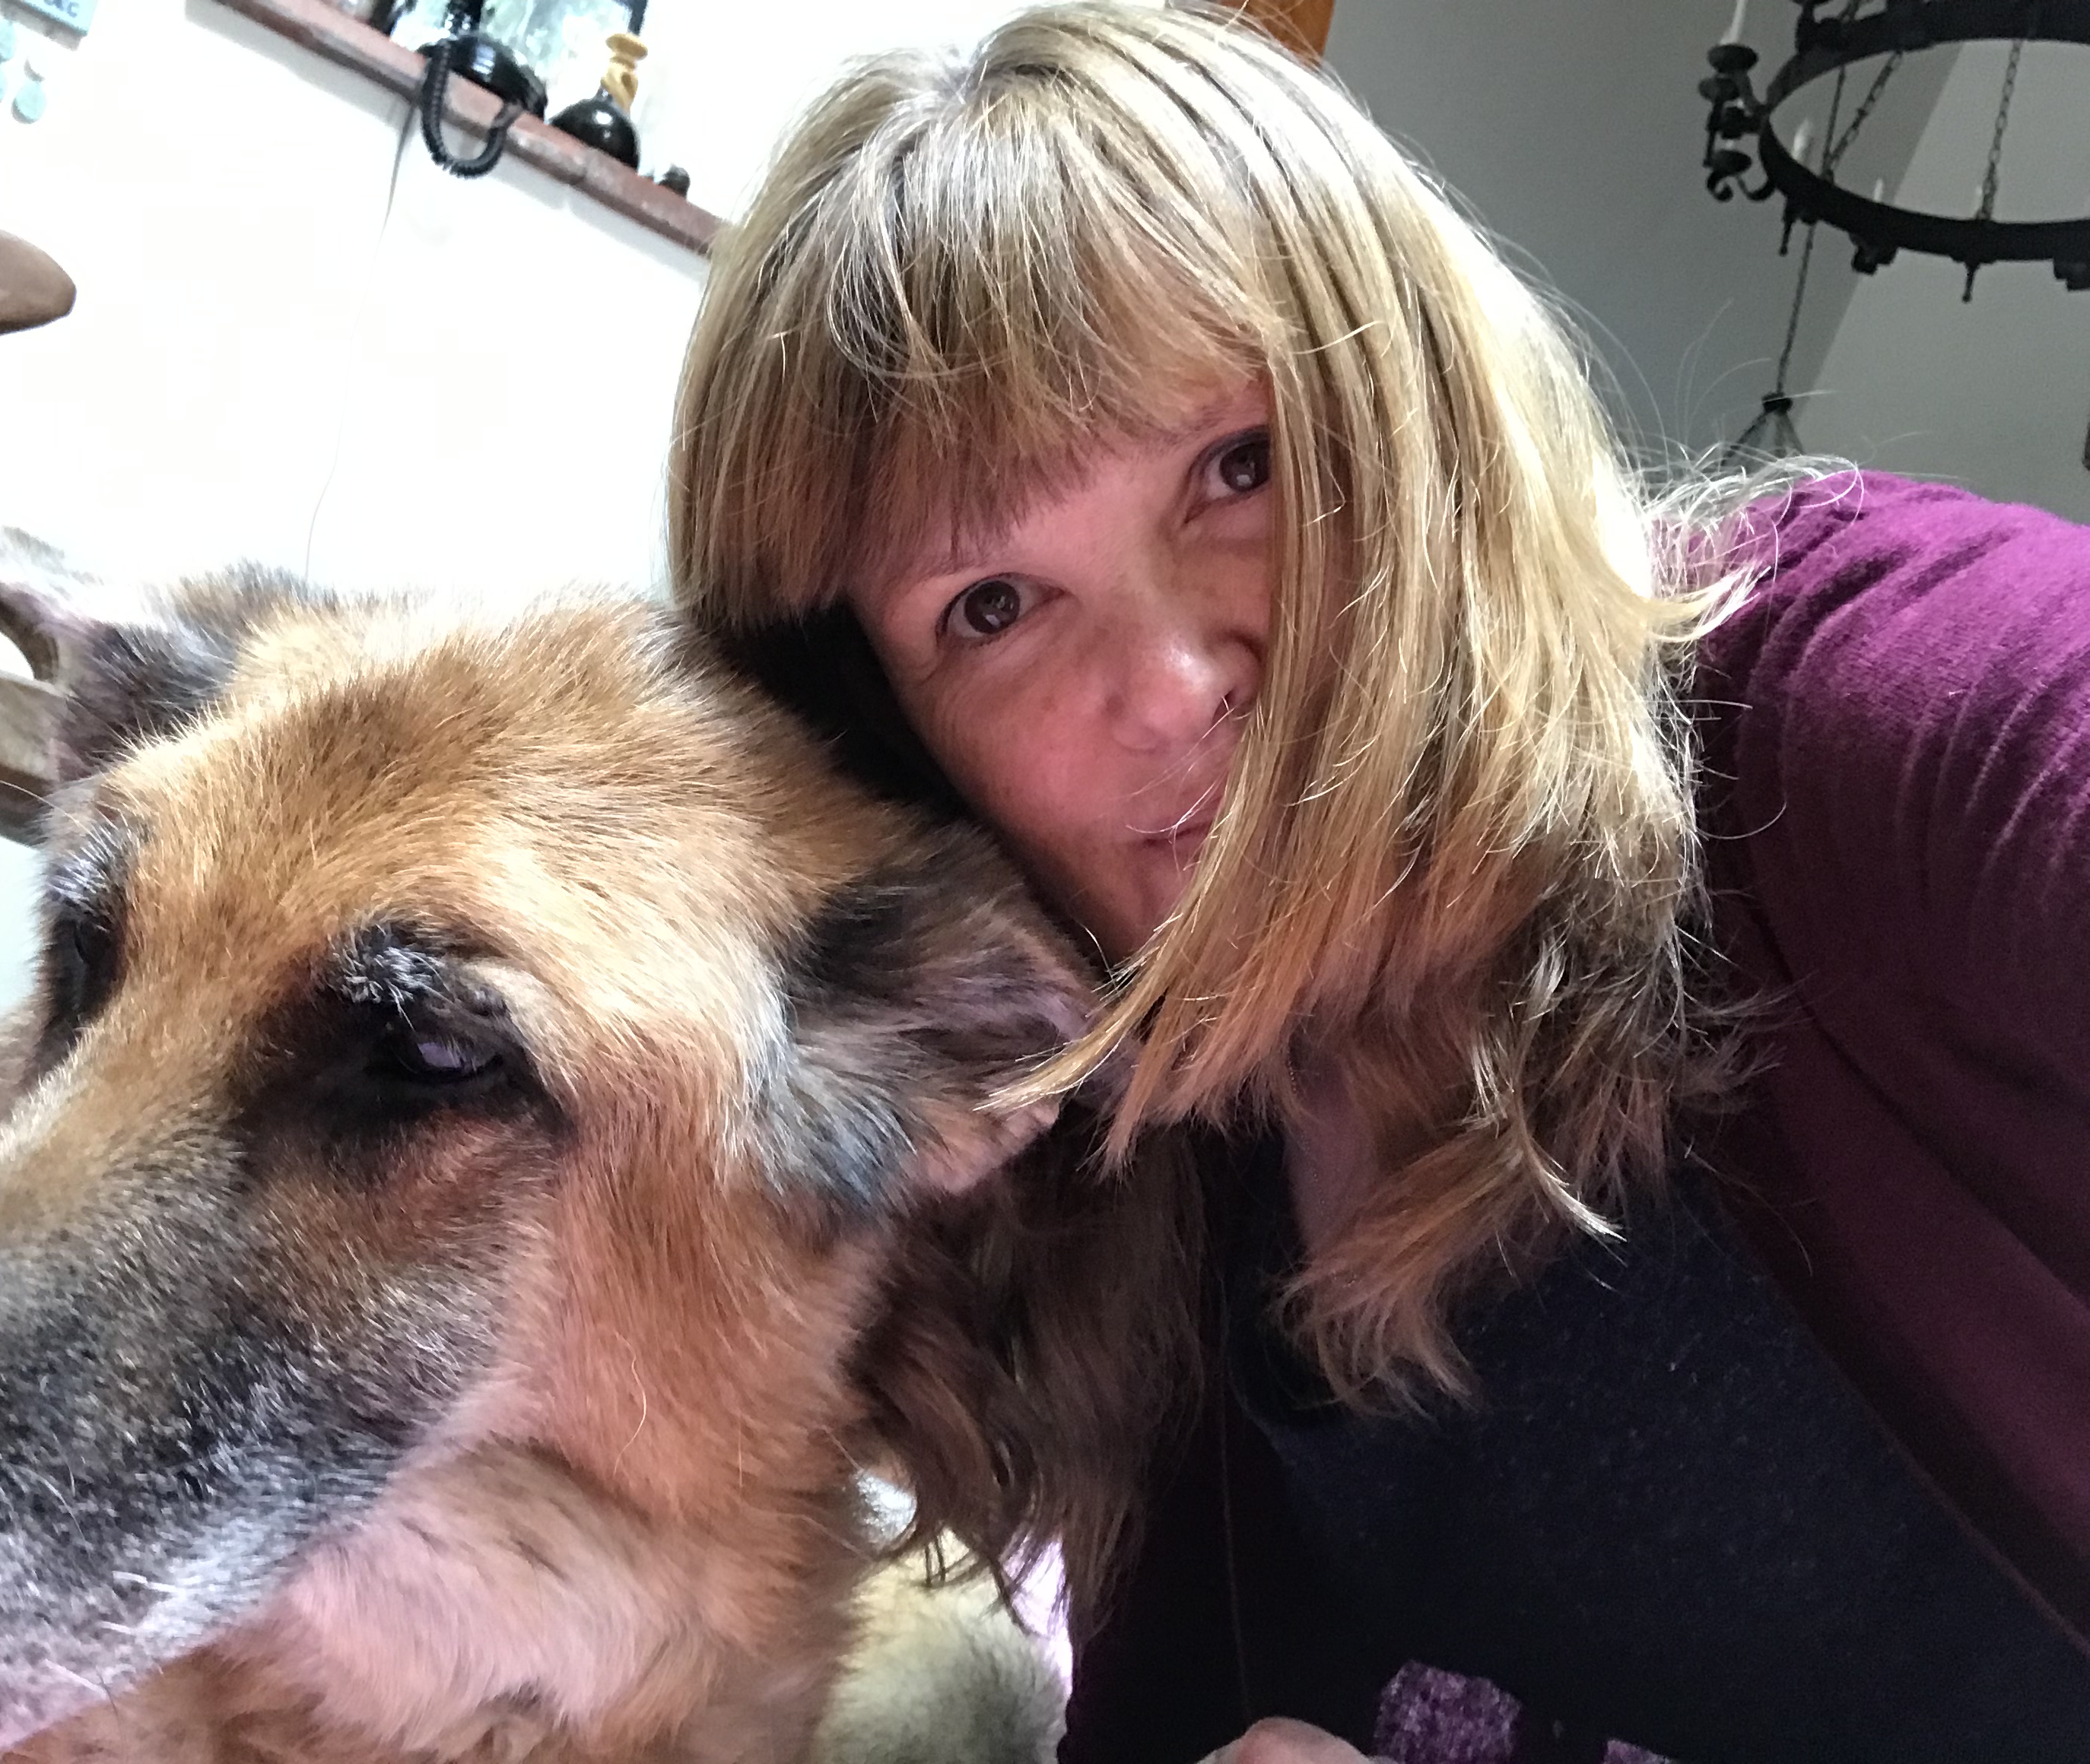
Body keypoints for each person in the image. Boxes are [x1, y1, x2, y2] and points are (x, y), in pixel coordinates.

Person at [665, 7, 2090, 1760]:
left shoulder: (1864, 706)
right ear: (898, 746)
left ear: (1415, 415)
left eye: (1235, 468)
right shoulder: (1160, 1159)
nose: (1172, 683)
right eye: (991, 605)